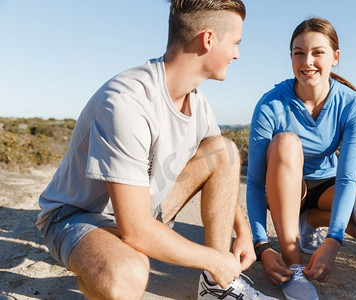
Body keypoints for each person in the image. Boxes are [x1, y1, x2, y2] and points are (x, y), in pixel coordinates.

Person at [35, 1, 276, 299]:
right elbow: (134, 230)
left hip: (142, 207)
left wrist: (244, 233)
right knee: (126, 273)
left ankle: (216, 288)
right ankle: (108, 268)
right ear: (209, 39)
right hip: (77, 217)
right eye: (236, 43)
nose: (237, 53)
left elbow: (222, 167)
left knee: (222, 149)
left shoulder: (197, 101)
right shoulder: (126, 101)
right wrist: (216, 259)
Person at [246, 17, 356, 300]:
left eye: (318, 52)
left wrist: (334, 240)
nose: (307, 61)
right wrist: (262, 247)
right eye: (299, 52)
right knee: (286, 143)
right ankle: (293, 258)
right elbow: (256, 183)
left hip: (326, 185)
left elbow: (346, 178)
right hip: (284, 188)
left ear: (335, 57)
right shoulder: (271, 104)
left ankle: (310, 221)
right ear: (291, 57)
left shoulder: (351, 104)